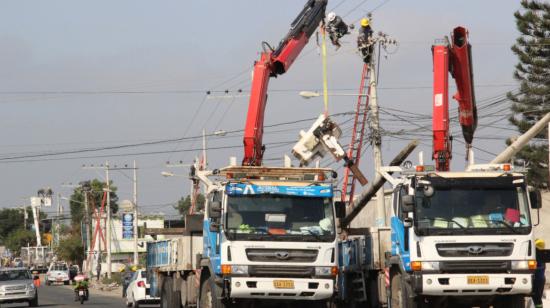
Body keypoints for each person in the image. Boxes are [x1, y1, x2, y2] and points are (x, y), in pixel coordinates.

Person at [533, 239, 546, 308]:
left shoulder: (538, 256)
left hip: (538, 280)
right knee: (537, 299)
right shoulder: (542, 255)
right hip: (540, 279)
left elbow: (540, 268)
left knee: (537, 299)